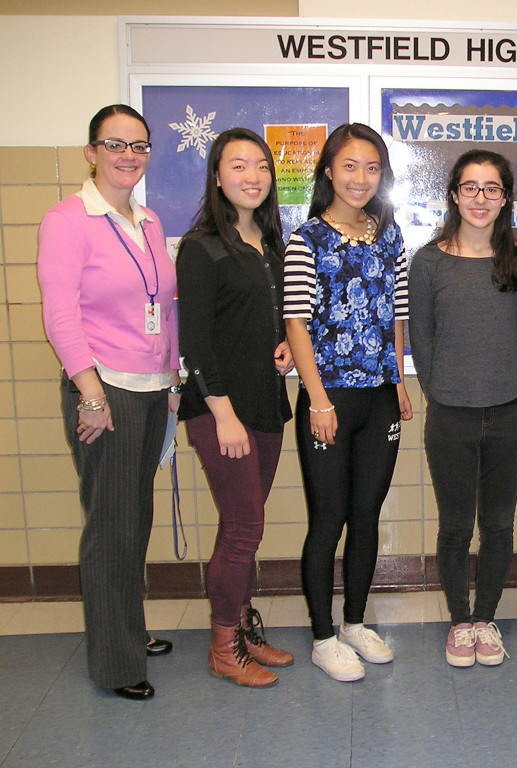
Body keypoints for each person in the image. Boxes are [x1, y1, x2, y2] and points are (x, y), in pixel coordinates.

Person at [37, 104, 179, 701]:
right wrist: (90, 392)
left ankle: (129, 629)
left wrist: (174, 378)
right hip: (106, 391)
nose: (128, 155)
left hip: (149, 392)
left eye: (139, 145)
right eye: (115, 144)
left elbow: (163, 306)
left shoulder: (145, 221)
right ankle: (117, 663)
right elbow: (59, 314)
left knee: (133, 520)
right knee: (111, 530)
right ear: (91, 152)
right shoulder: (68, 219)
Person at [283, 123, 413, 682]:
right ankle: (321, 636)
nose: (361, 179)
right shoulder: (306, 239)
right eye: (350, 166)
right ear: (329, 172)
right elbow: (295, 323)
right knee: (328, 516)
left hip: (380, 398)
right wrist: (317, 401)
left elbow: (398, 312)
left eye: (372, 168)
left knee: (367, 515)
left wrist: (400, 379)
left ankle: (356, 622)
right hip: (328, 399)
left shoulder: (390, 235)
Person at [409, 150, 517, 668]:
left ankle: (487, 620)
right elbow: (422, 342)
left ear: (505, 197)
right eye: (470, 187)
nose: (480, 198)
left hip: (508, 412)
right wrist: (449, 393)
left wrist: (510, 390)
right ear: (454, 195)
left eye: (492, 188)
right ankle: (460, 623)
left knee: (500, 523)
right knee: (456, 525)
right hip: (451, 415)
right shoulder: (429, 262)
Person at [176, 128, 295, 688]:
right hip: (221, 411)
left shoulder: (269, 248)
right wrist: (221, 412)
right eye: (239, 166)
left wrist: (287, 351)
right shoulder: (201, 247)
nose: (252, 177)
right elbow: (195, 342)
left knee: (243, 525)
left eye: (262, 167)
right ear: (218, 176)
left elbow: (266, 328)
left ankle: (242, 632)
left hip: (266, 405)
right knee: (245, 526)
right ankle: (225, 645)